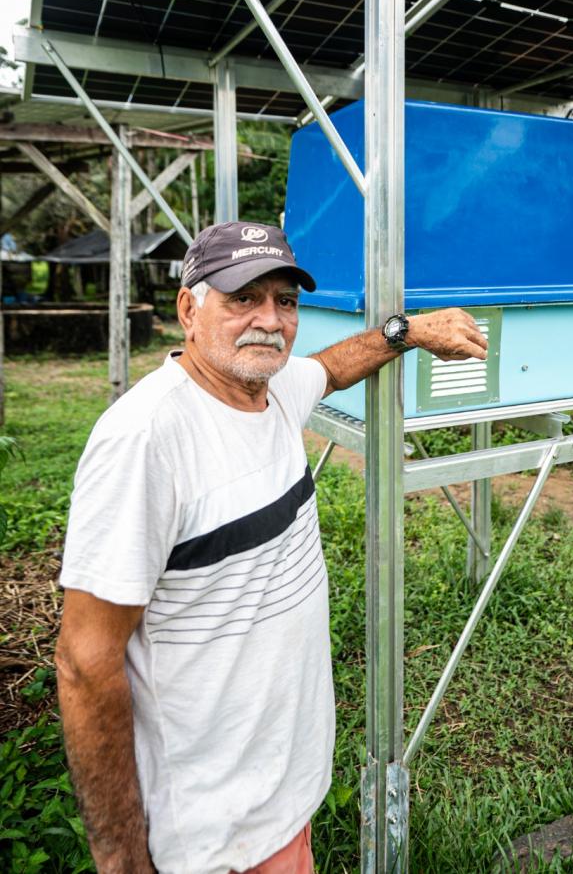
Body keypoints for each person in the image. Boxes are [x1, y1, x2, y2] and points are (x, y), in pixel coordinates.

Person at [56, 221, 488, 874]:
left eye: (284, 301)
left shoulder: (276, 391)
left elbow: (335, 366)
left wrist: (409, 331)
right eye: (242, 298)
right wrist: (120, 858)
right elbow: (85, 663)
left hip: (281, 801)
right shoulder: (145, 440)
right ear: (187, 310)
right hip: (208, 836)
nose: (269, 320)